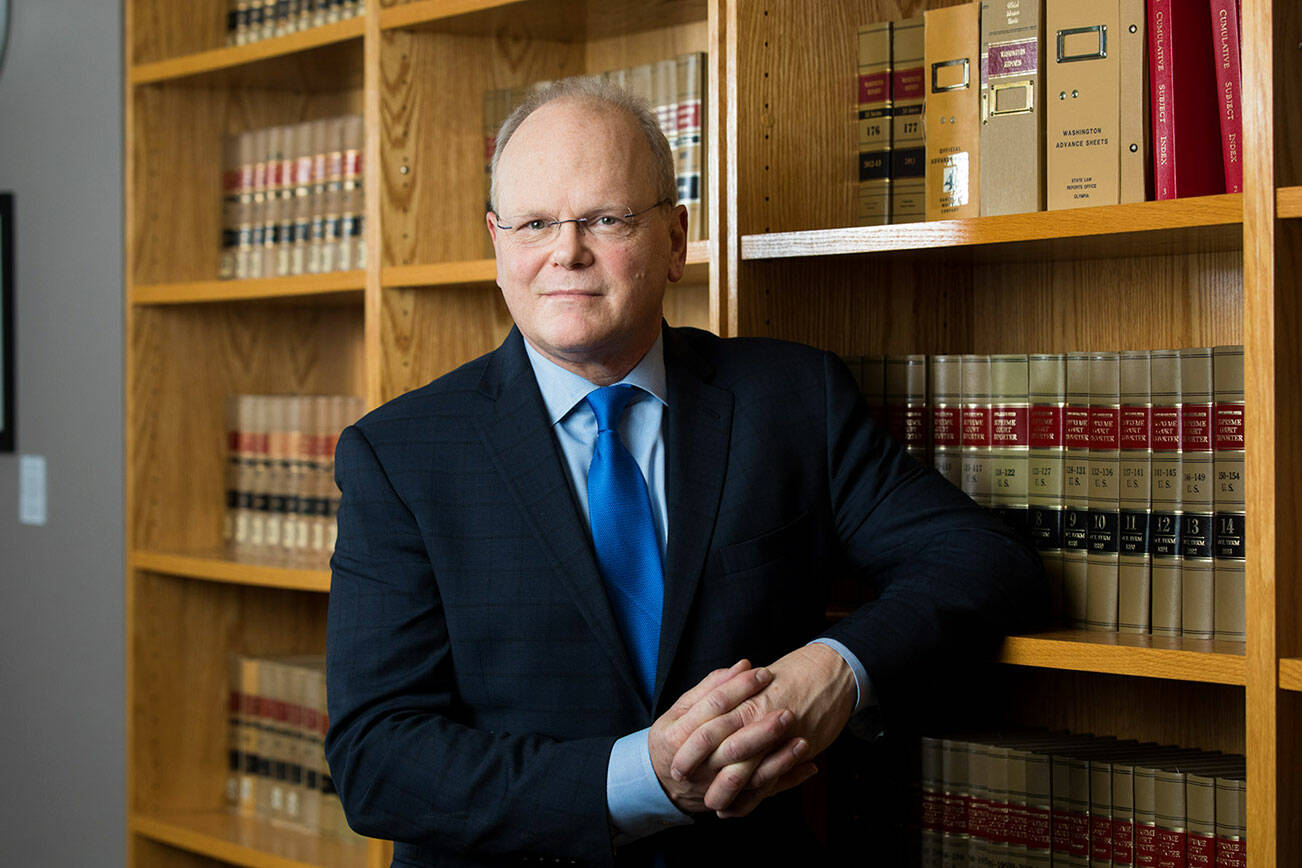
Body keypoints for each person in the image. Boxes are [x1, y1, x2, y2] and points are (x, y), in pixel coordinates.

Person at [325, 76, 1045, 867]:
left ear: (675, 240)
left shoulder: (792, 401)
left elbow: (983, 559)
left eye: (606, 218)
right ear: (498, 246)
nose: (566, 252)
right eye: (534, 224)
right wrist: (640, 779)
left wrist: (836, 670)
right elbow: (378, 759)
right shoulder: (399, 456)